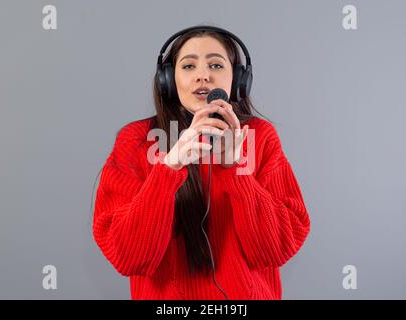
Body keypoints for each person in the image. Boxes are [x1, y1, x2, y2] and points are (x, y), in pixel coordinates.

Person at [92, 25, 310, 300]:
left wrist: (236, 170)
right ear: (168, 80)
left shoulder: (260, 138)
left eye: (216, 65)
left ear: (238, 79)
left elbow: (275, 250)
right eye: (188, 66)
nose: (203, 75)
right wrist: (169, 168)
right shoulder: (136, 140)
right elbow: (129, 257)